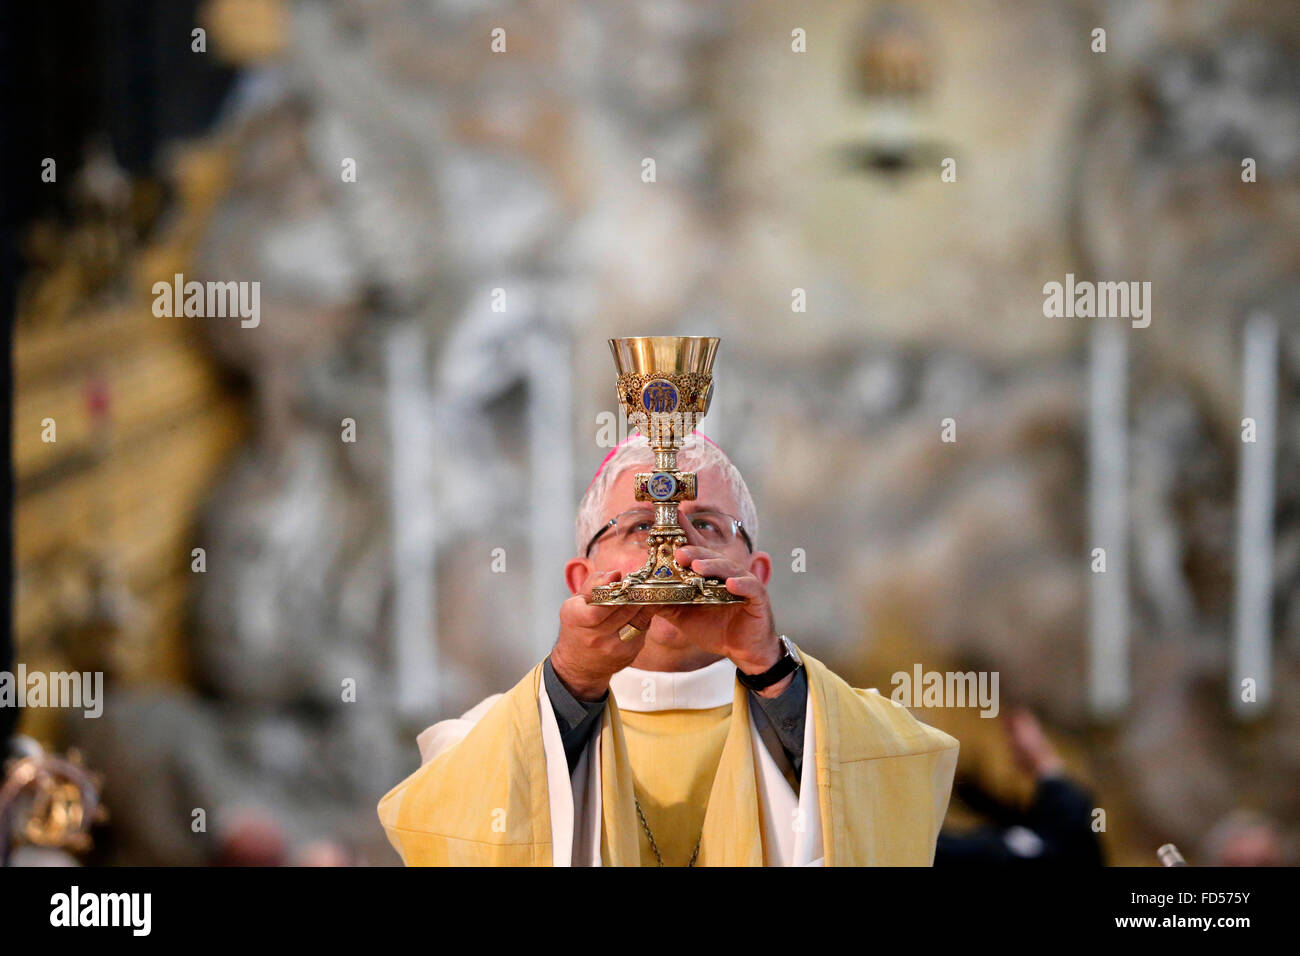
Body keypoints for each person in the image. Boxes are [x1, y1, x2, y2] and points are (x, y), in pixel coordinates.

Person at [377, 433, 959, 865]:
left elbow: (899, 790)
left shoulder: (846, 725)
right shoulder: (489, 739)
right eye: (639, 527)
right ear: (582, 579)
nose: (674, 545)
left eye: (705, 524)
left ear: (755, 571)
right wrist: (571, 682)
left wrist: (771, 672)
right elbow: (443, 824)